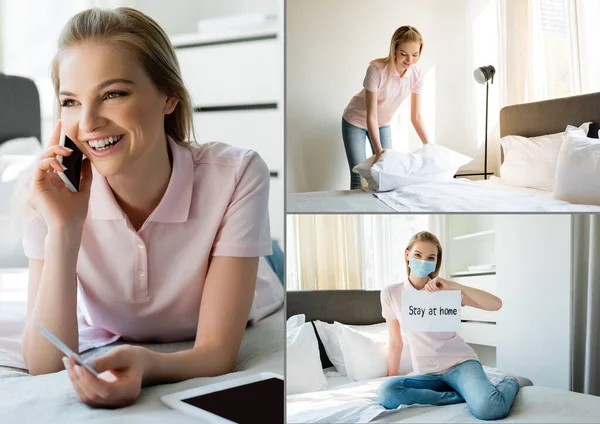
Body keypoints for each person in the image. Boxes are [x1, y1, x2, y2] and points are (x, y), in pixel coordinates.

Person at [20, 7, 279, 408]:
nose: (87, 122)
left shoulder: (238, 174)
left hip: (255, 273)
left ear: (168, 96)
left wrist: (147, 364)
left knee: (274, 254)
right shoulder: (50, 192)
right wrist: (64, 231)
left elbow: (217, 352)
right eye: (70, 101)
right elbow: (44, 363)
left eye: (113, 94)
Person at [377, 231, 519, 420]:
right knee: (387, 392)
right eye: (418, 255)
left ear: (436, 262)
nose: (423, 261)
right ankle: (461, 396)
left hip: (460, 364)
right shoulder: (391, 293)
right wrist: (392, 377)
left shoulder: (445, 291)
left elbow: (496, 304)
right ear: (407, 255)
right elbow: (395, 343)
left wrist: (454, 286)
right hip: (427, 374)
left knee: (490, 409)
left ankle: (510, 381)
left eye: (430, 258)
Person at [342, 25, 431, 190]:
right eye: (404, 54)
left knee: (388, 172)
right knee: (358, 177)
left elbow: (416, 116)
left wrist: (429, 146)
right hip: (355, 121)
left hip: (382, 123)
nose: (409, 60)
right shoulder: (376, 70)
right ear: (394, 50)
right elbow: (371, 115)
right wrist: (378, 150)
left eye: (415, 55)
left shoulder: (416, 74)